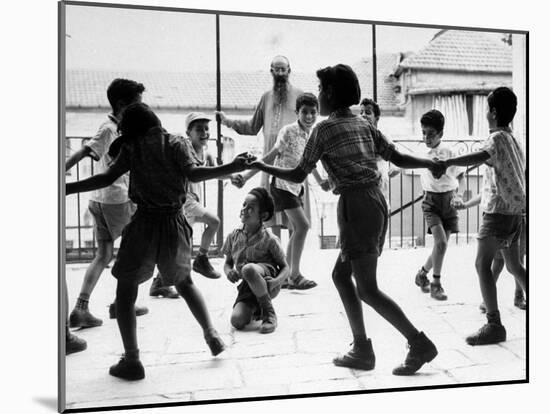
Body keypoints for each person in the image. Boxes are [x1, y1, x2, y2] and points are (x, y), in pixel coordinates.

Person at [251, 63, 445, 375]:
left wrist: (264, 166)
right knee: (342, 276)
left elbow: (299, 173)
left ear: (329, 93)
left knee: (367, 288)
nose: (316, 95)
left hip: (357, 207)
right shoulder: (363, 124)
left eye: (319, 90)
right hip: (372, 202)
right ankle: (362, 349)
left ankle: (417, 342)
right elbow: (396, 155)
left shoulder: (324, 130)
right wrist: (428, 162)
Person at [66, 103, 255, 380]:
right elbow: (193, 174)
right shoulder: (177, 142)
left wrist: (67, 187)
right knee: (186, 282)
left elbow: (106, 176)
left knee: (126, 289)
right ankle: (211, 334)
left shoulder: (134, 147)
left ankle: (132, 359)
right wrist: (233, 165)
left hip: (143, 222)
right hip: (174, 222)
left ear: (132, 131)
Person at [441, 87, 526, 345]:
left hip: (498, 214)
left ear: (493, 113)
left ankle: (494, 324)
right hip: (514, 213)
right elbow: (496, 181)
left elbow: (478, 156)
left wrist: (446, 163)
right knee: (513, 265)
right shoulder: (513, 140)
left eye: (486, 108)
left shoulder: (496, 139)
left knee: (482, 264)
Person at [65, 78, 148, 328]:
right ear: (122, 105)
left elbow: (87, 152)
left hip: (99, 199)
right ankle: (122, 303)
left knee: (103, 255)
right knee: (134, 253)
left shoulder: (113, 128)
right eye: (136, 105)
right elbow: (83, 151)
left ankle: (82, 306)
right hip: (117, 199)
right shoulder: (109, 129)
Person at [233, 93, 329, 289]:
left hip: (296, 187)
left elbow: (311, 163)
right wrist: (245, 176)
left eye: (313, 112)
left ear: (317, 114)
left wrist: (321, 181)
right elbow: (269, 158)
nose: (309, 116)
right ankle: (293, 275)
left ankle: (286, 274)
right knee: (302, 226)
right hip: (282, 185)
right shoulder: (288, 131)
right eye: (305, 112)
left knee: (298, 229)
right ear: (297, 113)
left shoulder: (311, 135)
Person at [215, 55, 305, 237]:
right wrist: (227, 121)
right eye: (276, 69)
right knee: (272, 215)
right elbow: (252, 126)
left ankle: (292, 263)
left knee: (294, 218)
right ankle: (276, 260)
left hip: (293, 159)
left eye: (283, 69)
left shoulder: (300, 96)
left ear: (289, 71)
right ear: (271, 71)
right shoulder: (266, 98)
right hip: (269, 161)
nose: (280, 73)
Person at [149, 112, 224, 298]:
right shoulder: (185, 148)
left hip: (192, 202)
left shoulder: (206, 153)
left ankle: (160, 282)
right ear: (188, 132)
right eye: (199, 129)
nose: (204, 133)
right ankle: (200, 260)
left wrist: (233, 176)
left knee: (181, 245)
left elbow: (214, 172)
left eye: (207, 129)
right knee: (212, 223)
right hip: (185, 201)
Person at [413, 110, 465, 301]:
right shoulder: (421, 153)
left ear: (441, 134)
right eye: (423, 132)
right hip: (431, 203)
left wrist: (459, 196)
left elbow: (461, 176)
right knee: (441, 243)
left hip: (449, 202)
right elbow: (406, 166)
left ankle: (422, 273)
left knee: (440, 246)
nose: (426, 137)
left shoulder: (449, 152)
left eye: (431, 134)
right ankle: (436, 284)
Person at [223, 188, 289, 334]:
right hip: (248, 285)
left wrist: (277, 281)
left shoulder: (270, 239)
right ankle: (256, 308)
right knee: (237, 321)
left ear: (263, 215)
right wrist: (229, 272)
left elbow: (285, 267)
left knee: (248, 269)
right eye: (244, 205)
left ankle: (269, 313)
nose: (244, 210)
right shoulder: (233, 236)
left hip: (267, 281)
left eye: (251, 208)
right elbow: (227, 263)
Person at [452, 194, 526, 311]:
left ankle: (516, 296)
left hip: (505, 216)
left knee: (510, 264)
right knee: (503, 263)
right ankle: (489, 301)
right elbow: (486, 191)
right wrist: (466, 205)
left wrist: (465, 205)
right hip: (511, 215)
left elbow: (487, 191)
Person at [359, 98, 400, 207]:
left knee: (380, 213)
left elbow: (397, 155)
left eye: (367, 113)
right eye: (361, 112)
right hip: (364, 186)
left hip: (380, 186)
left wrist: (395, 168)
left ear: (376, 118)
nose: (363, 115)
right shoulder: (359, 137)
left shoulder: (383, 137)